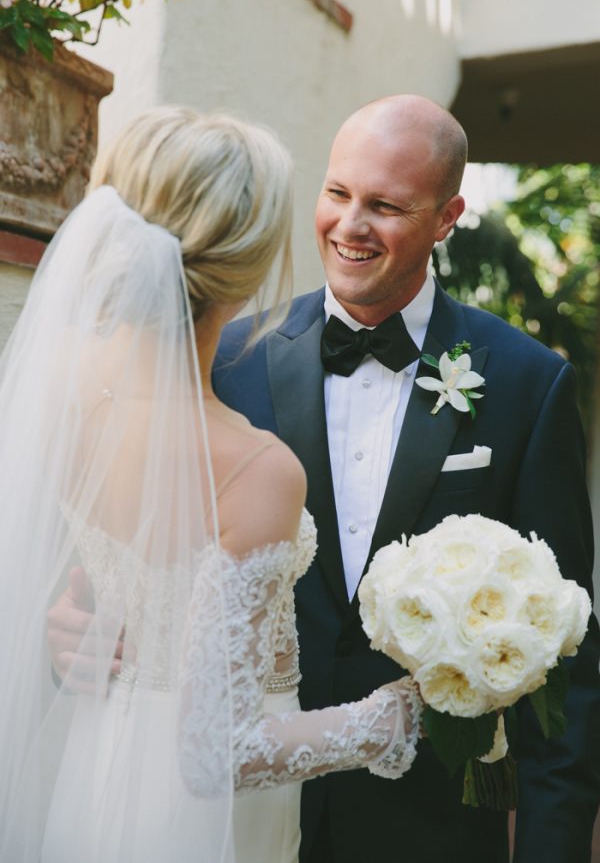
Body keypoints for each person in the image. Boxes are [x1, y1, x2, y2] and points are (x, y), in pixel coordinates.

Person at [47, 96, 600, 862]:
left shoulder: (528, 385)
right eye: (337, 193)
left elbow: (565, 671)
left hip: (429, 831)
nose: (349, 225)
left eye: (385, 205)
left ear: (446, 218)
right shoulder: (221, 359)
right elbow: (136, 565)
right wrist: (77, 633)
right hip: (225, 822)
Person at [0, 107, 422, 863]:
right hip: (198, 826)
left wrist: (79, 614)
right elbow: (214, 750)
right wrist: (389, 718)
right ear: (250, 265)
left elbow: (93, 567)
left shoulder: (61, 393)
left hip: (91, 770)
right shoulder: (255, 467)